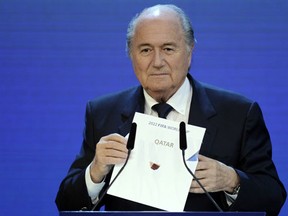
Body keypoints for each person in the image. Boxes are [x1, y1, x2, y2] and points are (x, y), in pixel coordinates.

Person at [55, 4, 286, 215]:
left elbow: (273, 197)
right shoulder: (102, 112)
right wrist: (95, 172)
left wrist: (232, 180)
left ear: (190, 50)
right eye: (145, 50)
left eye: (168, 49)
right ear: (131, 55)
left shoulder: (238, 113)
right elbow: (66, 203)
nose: (157, 62)